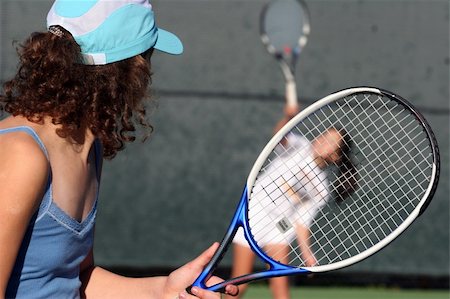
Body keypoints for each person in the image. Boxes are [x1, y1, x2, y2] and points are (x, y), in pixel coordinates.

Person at [0, 1, 238, 298]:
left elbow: (76, 279)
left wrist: (164, 289)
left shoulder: (89, 148)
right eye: (149, 56)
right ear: (131, 68)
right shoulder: (22, 154)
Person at [226, 102, 356, 299]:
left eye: (330, 142)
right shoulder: (298, 146)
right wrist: (288, 118)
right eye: (324, 135)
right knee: (239, 285)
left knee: (281, 291)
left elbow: (301, 221)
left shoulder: (321, 189)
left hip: (281, 224)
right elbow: (280, 135)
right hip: (255, 213)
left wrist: (307, 254)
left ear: (336, 156)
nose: (322, 141)